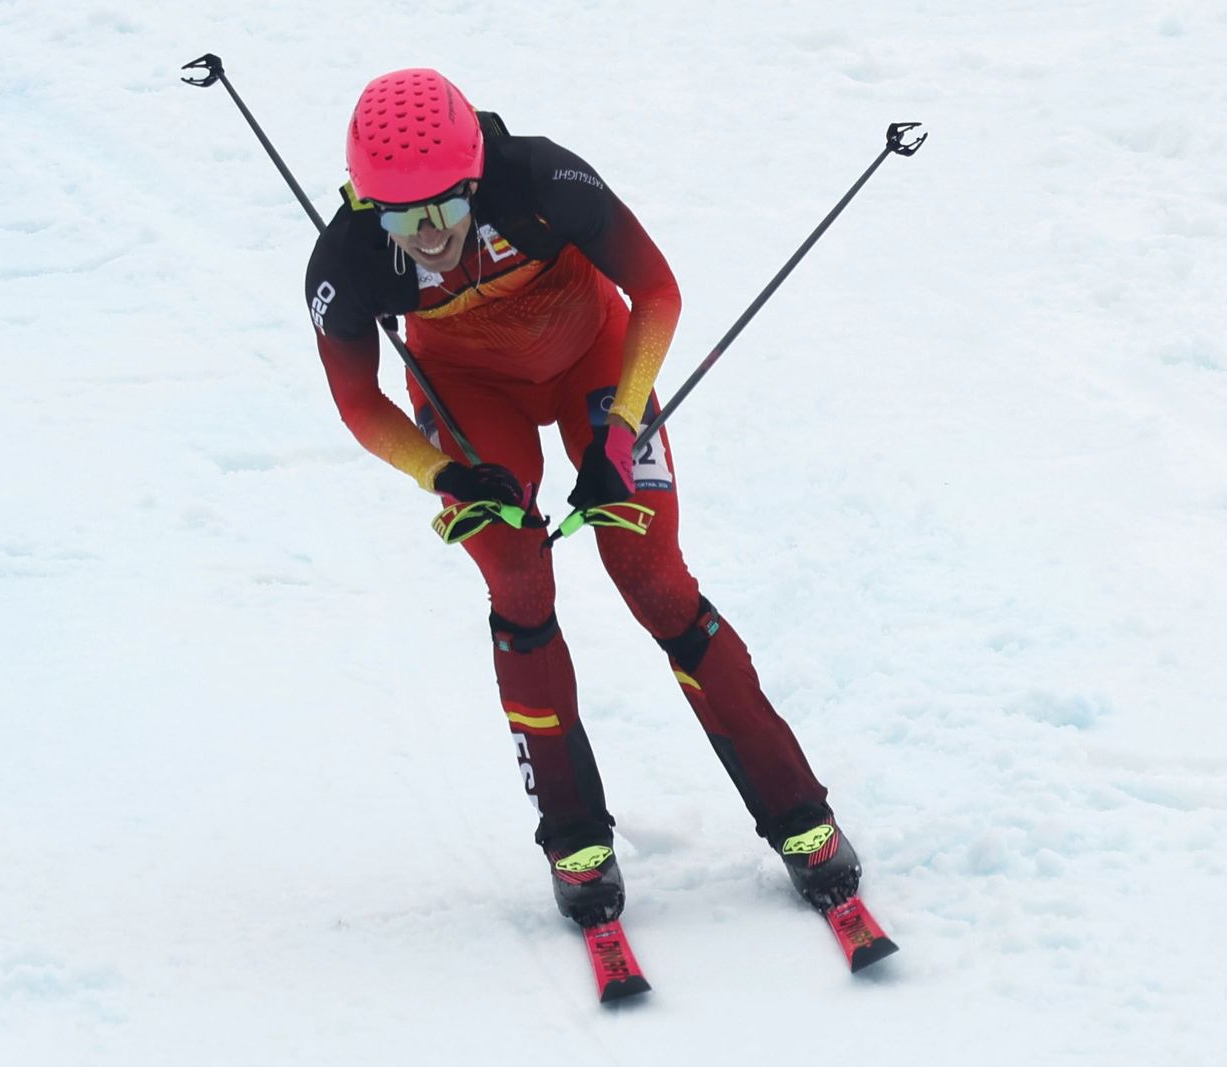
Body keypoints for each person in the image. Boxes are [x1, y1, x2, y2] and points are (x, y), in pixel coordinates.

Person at [305, 68, 861, 926]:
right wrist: (442, 473)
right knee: (518, 580)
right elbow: (356, 401)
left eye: (444, 211)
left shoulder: (540, 178)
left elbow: (658, 291)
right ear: (363, 204)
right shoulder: (345, 259)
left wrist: (618, 431)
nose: (428, 238)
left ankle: (800, 815)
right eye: (401, 221)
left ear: (475, 180)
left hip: (594, 362)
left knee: (652, 577)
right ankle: (575, 839)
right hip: (469, 393)